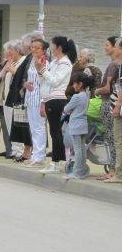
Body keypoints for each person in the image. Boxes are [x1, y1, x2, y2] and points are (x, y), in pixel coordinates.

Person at [37, 36, 76, 174]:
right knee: (54, 132)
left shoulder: (65, 64)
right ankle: (57, 162)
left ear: (59, 47)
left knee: (56, 132)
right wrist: (40, 70)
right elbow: (44, 81)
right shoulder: (54, 62)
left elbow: (55, 81)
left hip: (57, 99)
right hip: (49, 98)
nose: (51, 48)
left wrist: (43, 70)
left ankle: (57, 162)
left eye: (52, 45)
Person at [0, 40, 30, 161]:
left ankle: (20, 151)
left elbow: (23, 78)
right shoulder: (11, 62)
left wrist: (13, 71)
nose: (6, 53)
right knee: (10, 125)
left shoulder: (23, 61)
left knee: (17, 125)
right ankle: (14, 150)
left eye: (9, 51)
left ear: (15, 51)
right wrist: (6, 69)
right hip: (7, 98)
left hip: (17, 98)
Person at [93, 37, 119, 181]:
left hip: (109, 103)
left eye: (108, 45)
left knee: (111, 138)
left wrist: (97, 91)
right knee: (112, 138)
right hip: (112, 103)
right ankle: (113, 169)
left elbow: (108, 88)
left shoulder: (113, 65)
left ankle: (113, 170)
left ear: (116, 47)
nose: (105, 47)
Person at [63, 72, 93, 180]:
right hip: (83, 125)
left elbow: (66, 109)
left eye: (74, 83)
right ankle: (83, 171)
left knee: (77, 150)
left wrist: (69, 110)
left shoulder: (76, 97)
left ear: (80, 84)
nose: (73, 85)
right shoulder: (86, 95)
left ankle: (77, 172)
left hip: (75, 125)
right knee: (82, 149)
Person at [23, 37, 48, 167]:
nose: (34, 50)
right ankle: (35, 155)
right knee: (33, 128)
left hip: (39, 97)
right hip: (30, 97)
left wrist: (44, 101)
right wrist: (26, 84)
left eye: (37, 48)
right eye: (32, 47)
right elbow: (29, 78)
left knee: (39, 128)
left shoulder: (44, 62)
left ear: (43, 50)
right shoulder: (32, 61)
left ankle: (40, 156)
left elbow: (46, 82)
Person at [103, 37, 122, 184]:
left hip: (118, 107)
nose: (113, 49)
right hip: (116, 105)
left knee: (117, 140)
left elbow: (119, 88)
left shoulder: (117, 66)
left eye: (116, 46)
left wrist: (117, 105)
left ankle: (118, 173)